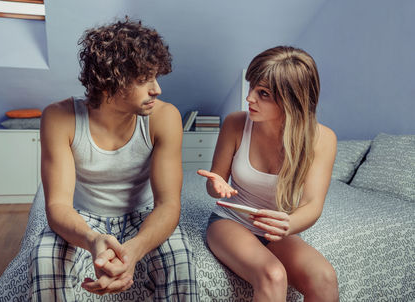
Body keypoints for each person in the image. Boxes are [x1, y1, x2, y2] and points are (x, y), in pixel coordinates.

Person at [28, 18, 198, 301]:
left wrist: (135, 249)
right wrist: (93, 240)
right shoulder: (59, 118)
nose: (157, 89)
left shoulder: (165, 117)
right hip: (82, 217)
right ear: (109, 80)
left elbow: (169, 204)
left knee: (180, 259)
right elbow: (57, 205)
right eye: (144, 80)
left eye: (156, 77)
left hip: (144, 214)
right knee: (44, 258)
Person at [198, 46, 339, 301]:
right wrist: (215, 184)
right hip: (230, 220)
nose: (249, 98)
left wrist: (289, 224)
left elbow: (312, 204)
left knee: (324, 278)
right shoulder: (235, 124)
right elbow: (214, 184)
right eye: (251, 87)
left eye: (263, 93)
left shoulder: (322, 139)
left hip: (278, 230)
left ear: (292, 100)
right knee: (273, 275)